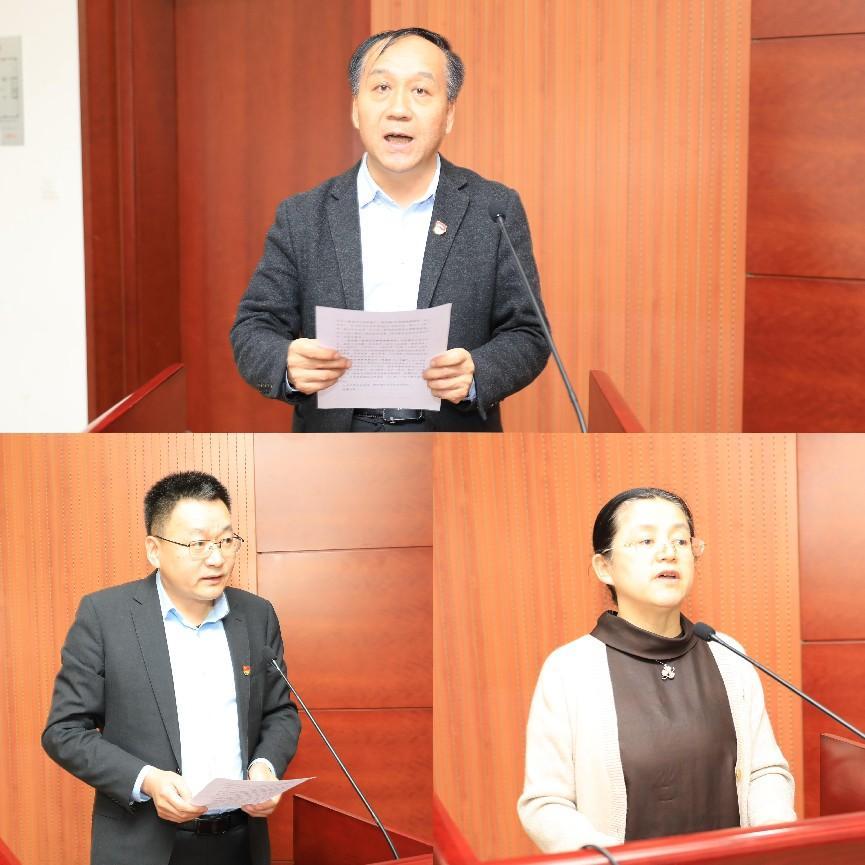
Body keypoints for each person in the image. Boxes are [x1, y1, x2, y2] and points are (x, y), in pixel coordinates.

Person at [230, 27, 550, 432]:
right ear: (355, 108)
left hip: (452, 438)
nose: (399, 108)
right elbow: (254, 328)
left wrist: (478, 372)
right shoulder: (303, 216)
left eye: (420, 91)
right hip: (336, 442)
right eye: (381, 87)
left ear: (449, 113)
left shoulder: (494, 209)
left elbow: (528, 333)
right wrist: (287, 364)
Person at [517, 487, 796, 852]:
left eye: (680, 540)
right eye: (646, 540)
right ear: (604, 567)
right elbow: (545, 804)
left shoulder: (728, 656)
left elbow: (765, 771)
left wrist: (771, 840)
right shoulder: (569, 669)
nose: (668, 552)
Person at [42, 471, 300, 865]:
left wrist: (265, 766)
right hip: (142, 845)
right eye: (197, 544)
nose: (216, 558)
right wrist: (146, 779)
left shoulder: (256, 615)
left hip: (239, 841)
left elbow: (280, 712)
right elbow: (64, 731)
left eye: (225, 541)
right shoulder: (105, 616)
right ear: (154, 549)